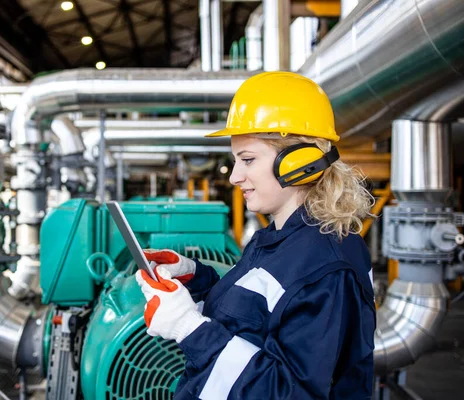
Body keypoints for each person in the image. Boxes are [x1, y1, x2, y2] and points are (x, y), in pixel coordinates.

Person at [135, 71, 376, 399]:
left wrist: (187, 328)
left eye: (247, 159)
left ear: (299, 163)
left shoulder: (326, 268)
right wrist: (193, 276)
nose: (235, 176)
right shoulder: (278, 237)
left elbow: (289, 392)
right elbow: (251, 315)